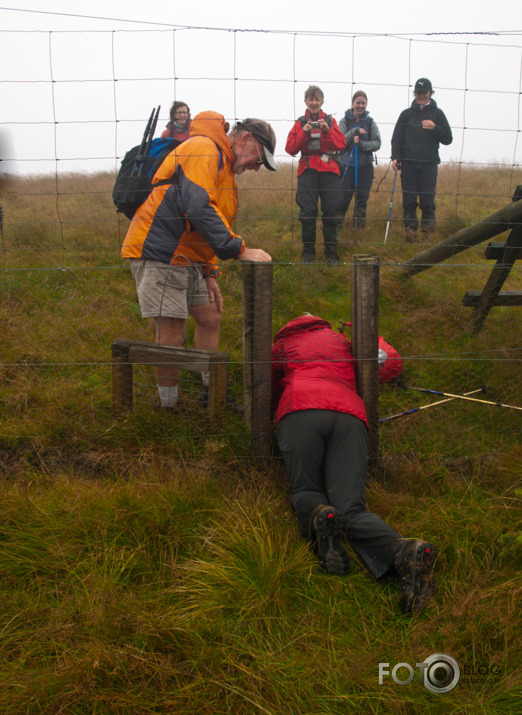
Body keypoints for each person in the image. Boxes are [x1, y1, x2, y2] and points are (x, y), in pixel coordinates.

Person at [271, 314, 438, 615]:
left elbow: (265, 389)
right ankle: (404, 551)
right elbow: (384, 365)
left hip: (300, 407)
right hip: (349, 414)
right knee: (352, 507)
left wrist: (273, 419)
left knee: (306, 487)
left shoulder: (282, 344)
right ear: (321, 325)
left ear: (290, 327)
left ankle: (321, 516)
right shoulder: (342, 342)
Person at [121, 111, 276, 411]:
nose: (258, 168)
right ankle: (169, 406)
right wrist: (239, 249)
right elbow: (198, 205)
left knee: (210, 316)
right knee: (172, 332)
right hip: (159, 251)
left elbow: (210, 224)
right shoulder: (203, 147)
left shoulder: (225, 171)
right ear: (245, 139)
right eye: (259, 159)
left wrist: (210, 273)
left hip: (189, 258)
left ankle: (211, 393)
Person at [285, 86, 346, 264]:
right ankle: (308, 254)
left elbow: (340, 144)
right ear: (306, 102)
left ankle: (331, 254)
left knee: (332, 212)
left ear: (322, 102)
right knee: (307, 213)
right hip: (308, 170)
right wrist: (303, 133)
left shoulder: (331, 121)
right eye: (310, 99)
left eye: (317, 99)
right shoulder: (299, 123)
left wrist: (328, 130)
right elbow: (290, 149)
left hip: (330, 171)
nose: (313, 103)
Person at [391, 78, 453, 241]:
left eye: (424, 92)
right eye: (418, 93)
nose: (421, 96)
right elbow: (396, 138)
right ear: (414, 94)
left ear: (430, 93)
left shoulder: (437, 114)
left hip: (429, 165)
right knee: (409, 202)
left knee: (427, 202)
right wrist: (395, 157)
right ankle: (411, 236)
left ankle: (427, 237)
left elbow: (448, 138)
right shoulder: (406, 114)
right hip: (409, 165)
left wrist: (435, 128)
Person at [338, 91, 381, 230]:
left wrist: (362, 145)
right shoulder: (344, 121)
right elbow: (340, 142)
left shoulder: (370, 122)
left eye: (363, 103)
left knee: (362, 199)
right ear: (352, 104)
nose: (360, 106)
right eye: (358, 103)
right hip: (347, 166)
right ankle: (337, 226)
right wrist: (353, 132)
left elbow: (377, 143)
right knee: (343, 198)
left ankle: (358, 228)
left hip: (365, 167)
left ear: (366, 104)